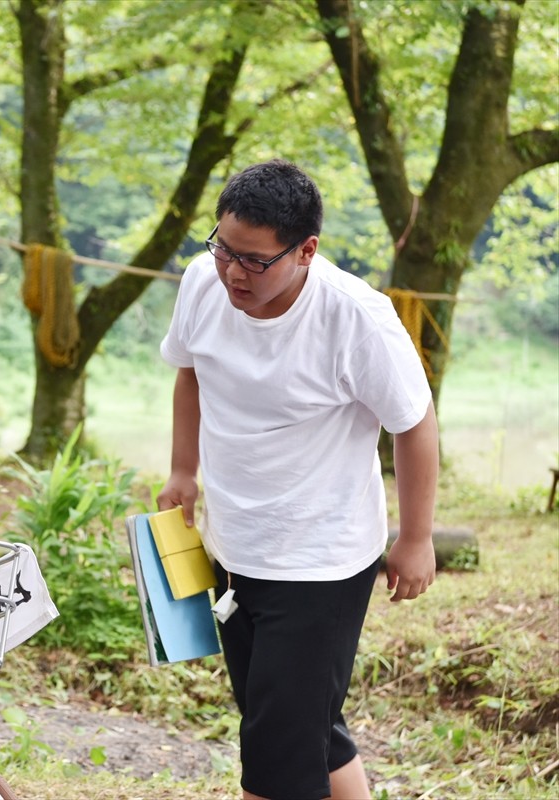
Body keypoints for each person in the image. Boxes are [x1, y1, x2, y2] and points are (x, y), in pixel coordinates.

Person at [156, 159, 438, 800]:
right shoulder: (204, 283)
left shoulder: (356, 318)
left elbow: (415, 425)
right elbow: (191, 371)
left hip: (321, 564)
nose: (233, 271)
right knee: (307, 729)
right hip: (233, 549)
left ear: (306, 251)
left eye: (254, 261)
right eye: (224, 248)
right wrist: (182, 470)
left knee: (276, 757)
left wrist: (416, 537)